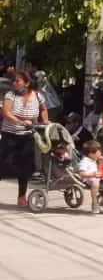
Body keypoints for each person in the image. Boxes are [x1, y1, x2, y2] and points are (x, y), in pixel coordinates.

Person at [1, 71, 49, 207]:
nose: (14, 83)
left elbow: (43, 109)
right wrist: (21, 122)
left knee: (25, 166)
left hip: (28, 136)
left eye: (18, 81)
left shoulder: (38, 96)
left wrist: (45, 120)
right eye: (14, 81)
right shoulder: (10, 95)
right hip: (10, 135)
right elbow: (6, 113)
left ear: (27, 83)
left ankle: (21, 197)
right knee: (4, 162)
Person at [77, 140, 103, 214]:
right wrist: (92, 174)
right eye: (98, 152)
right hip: (89, 179)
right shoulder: (84, 161)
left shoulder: (93, 160)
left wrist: (101, 163)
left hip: (97, 177)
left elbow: (98, 171)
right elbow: (81, 173)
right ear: (91, 154)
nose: (100, 154)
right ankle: (94, 203)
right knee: (95, 183)